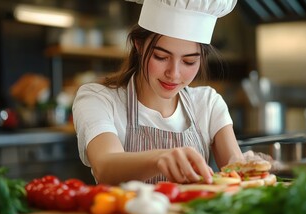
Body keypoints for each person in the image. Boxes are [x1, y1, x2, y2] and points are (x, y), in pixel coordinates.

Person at [72, 0, 244, 186]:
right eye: (161, 57)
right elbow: (105, 167)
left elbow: (234, 165)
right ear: (138, 45)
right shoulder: (98, 99)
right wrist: (160, 158)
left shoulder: (207, 103)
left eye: (189, 62)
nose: (174, 74)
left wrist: (248, 166)